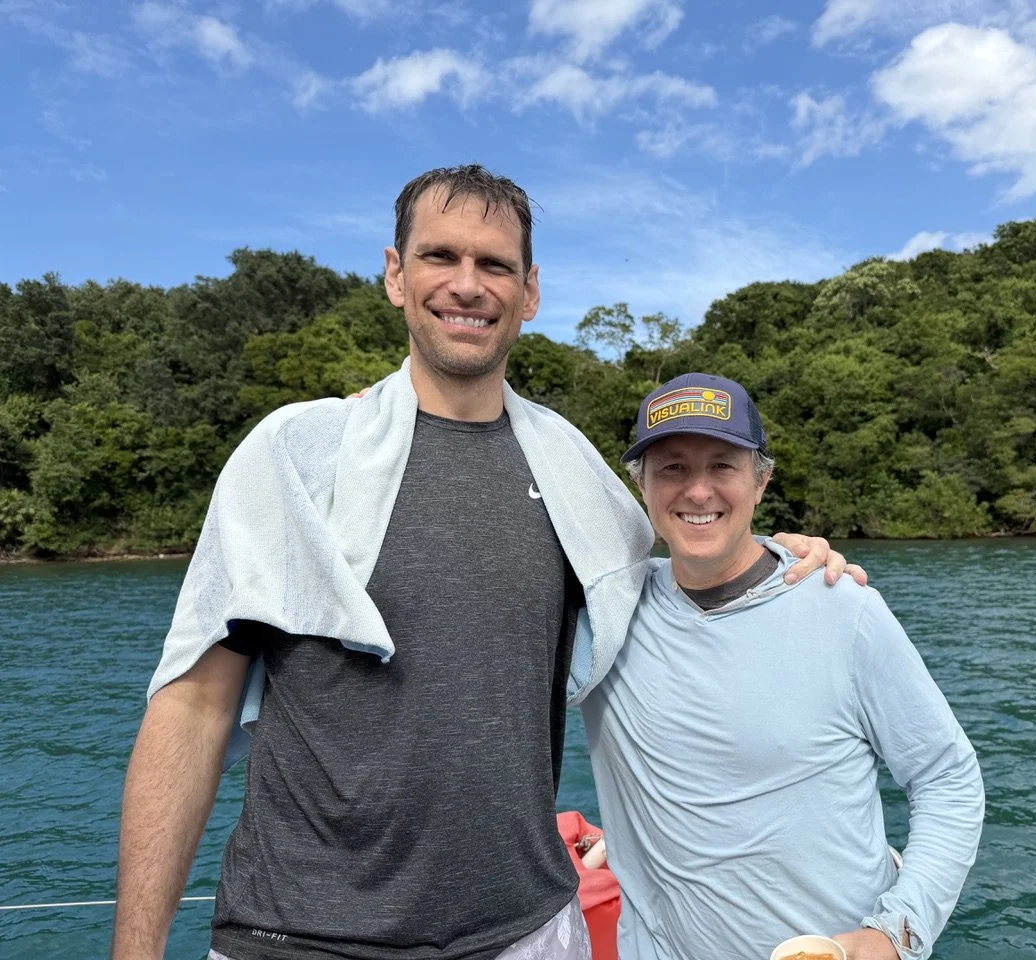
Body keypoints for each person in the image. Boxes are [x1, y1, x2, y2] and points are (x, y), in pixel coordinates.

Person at [109, 165, 861, 960]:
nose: (468, 285)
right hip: (299, 935)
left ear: (529, 292)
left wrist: (779, 560)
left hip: (530, 933)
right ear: (396, 275)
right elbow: (192, 706)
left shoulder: (576, 477)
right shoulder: (296, 457)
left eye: (495, 265)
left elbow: (672, 582)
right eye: (441, 257)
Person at [579, 373, 985, 960]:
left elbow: (947, 777)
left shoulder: (843, 607)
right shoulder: (606, 614)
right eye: (672, 468)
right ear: (640, 486)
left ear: (761, 481)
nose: (698, 491)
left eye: (723, 466)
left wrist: (898, 931)